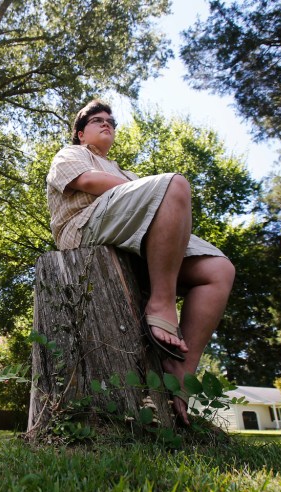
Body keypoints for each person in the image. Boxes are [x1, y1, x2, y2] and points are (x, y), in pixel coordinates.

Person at [46, 99, 235, 425]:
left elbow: (159, 206)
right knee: (175, 185)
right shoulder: (71, 154)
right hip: (84, 232)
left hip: (130, 240)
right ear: (80, 133)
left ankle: (181, 374)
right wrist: (161, 195)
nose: (107, 123)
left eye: (111, 121)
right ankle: (162, 306)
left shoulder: (125, 171)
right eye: (97, 120)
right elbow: (89, 183)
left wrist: (161, 199)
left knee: (219, 270)